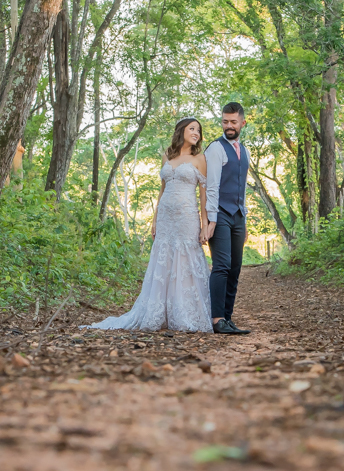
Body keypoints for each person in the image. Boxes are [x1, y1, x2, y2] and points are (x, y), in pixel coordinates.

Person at [87, 117, 213, 332]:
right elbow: (162, 190)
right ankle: (160, 312)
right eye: (192, 129)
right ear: (181, 131)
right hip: (165, 217)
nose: (196, 133)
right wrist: (154, 220)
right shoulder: (167, 156)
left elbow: (203, 195)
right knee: (164, 258)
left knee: (185, 258)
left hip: (186, 216)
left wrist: (205, 224)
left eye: (198, 131)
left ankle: (185, 313)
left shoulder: (200, 159)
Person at [204, 102, 252, 335]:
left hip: (238, 216)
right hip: (220, 214)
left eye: (233, 122)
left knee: (235, 268)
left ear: (243, 122)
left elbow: (242, 188)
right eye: (225, 122)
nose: (229, 126)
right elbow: (211, 187)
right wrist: (211, 220)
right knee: (221, 266)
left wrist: (245, 218)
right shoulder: (215, 148)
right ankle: (217, 319)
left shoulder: (245, 151)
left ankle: (228, 318)